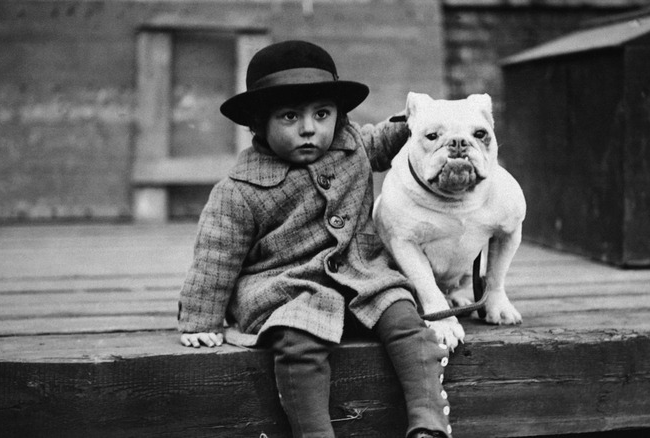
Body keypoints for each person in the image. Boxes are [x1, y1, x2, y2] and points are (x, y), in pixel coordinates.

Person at [177, 40, 452, 438]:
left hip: (362, 274)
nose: (309, 128)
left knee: (406, 319)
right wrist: (200, 319)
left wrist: (423, 120)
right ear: (258, 123)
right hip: (287, 286)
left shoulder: (351, 143)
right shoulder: (238, 189)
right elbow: (215, 255)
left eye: (322, 114)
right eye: (290, 116)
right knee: (299, 343)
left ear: (338, 117)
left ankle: (428, 420)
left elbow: (389, 139)